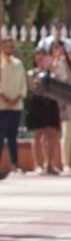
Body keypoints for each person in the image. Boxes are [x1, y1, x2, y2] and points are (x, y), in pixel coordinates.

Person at [25, 49, 62, 175]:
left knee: (52, 133)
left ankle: (50, 164)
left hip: (50, 103)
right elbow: (33, 87)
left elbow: (59, 83)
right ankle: (38, 165)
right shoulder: (31, 73)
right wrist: (42, 73)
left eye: (44, 56)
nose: (41, 59)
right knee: (38, 134)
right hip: (37, 103)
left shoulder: (52, 72)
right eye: (38, 57)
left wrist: (52, 69)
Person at [0, 37, 27, 173]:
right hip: (2, 106)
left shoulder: (18, 64)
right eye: (7, 46)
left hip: (16, 106)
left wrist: (16, 99)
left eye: (11, 46)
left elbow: (23, 84)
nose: (10, 49)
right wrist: (5, 98)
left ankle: (14, 164)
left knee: (12, 136)